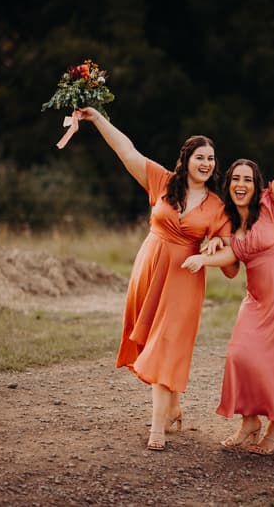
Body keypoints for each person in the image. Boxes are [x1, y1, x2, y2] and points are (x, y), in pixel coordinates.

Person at [73, 107, 234, 451]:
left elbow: (229, 253)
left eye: (212, 159)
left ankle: (157, 426)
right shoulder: (161, 182)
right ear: (187, 159)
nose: (207, 163)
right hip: (149, 268)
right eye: (200, 157)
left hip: (184, 281)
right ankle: (173, 406)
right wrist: (98, 118)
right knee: (153, 341)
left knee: (167, 344)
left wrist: (217, 242)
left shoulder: (218, 206)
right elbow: (126, 150)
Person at [181, 106, 274, 455]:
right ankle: (250, 422)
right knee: (241, 355)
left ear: (256, 184)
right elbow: (231, 257)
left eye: (248, 179)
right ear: (228, 184)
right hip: (258, 298)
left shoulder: (271, 203)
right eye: (236, 179)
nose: (242, 184)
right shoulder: (230, 223)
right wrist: (208, 251)